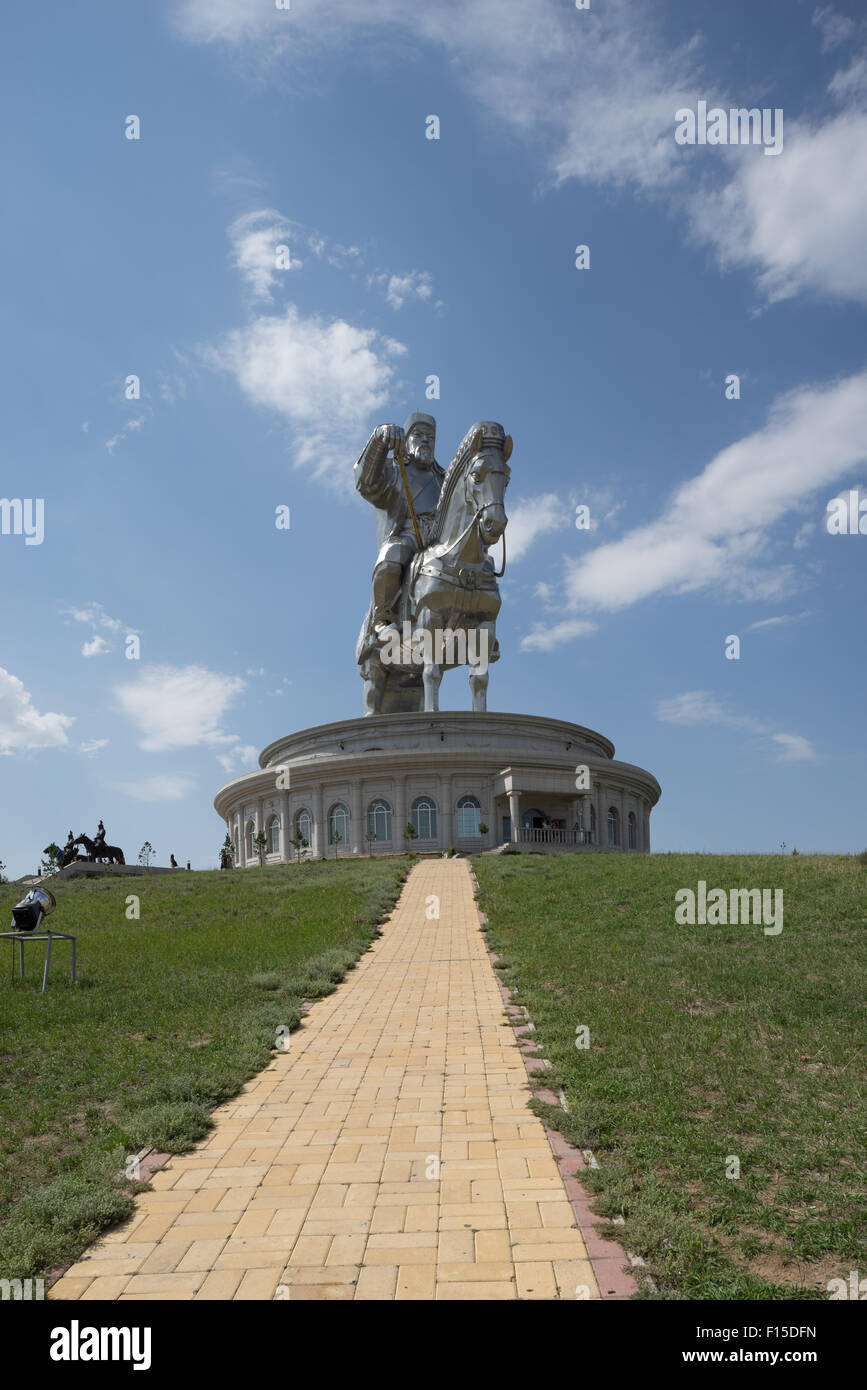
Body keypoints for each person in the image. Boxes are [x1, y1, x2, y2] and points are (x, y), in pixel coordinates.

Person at [354, 413, 445, 644]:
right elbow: (366, 483)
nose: (425, 440)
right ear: (406, 439)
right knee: (391, 555)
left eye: (430, 437)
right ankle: (382, 618)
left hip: (440, 542)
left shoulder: (443, 478)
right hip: (408, 536)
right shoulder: (395, 470)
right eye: (419, 435)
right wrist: (379, 439)